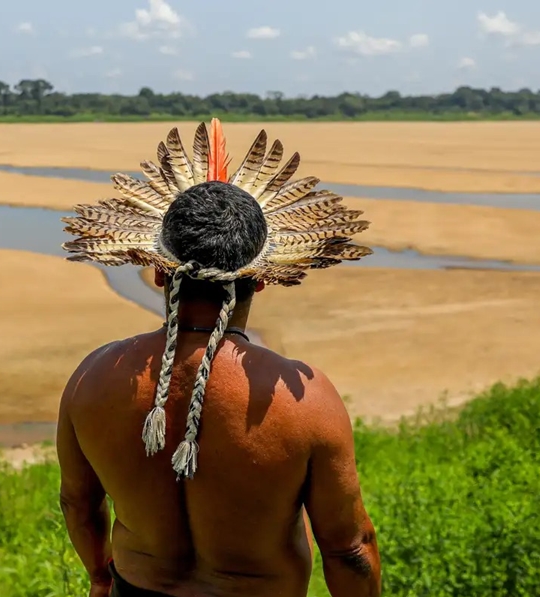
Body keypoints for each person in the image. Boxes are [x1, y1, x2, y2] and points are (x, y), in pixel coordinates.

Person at [57, 119, 382, 597]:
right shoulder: (307, 400)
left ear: (158, 273)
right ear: (265, 276)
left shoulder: (94, 377)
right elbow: (350, 549)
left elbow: (78, 504)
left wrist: (100, 577)